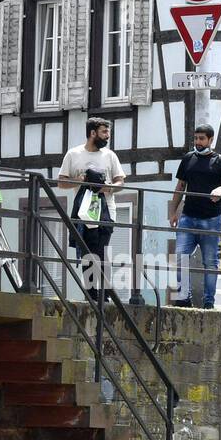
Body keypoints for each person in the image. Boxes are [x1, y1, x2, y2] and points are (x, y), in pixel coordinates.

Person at [167, 125, 221, 309]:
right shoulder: (188, 158)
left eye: (201, 139)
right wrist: (173, 212)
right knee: (181, 257)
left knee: (210, 263)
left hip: (211, 219)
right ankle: (183, 298)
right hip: (188, 216)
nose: (198, 142)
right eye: (196, 138)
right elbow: (180, 187)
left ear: (211, 140)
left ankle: (208, 302)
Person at [58, 117, 125, 303]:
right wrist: (79, 181)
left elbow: (121, 181)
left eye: (108, 132)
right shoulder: (73, 154)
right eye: (104, 132)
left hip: (106, 211)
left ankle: (103, 295)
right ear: (93, 133)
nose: (107, 136)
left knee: (101, 252)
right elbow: (61, 182)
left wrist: (108, 187)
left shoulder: (110, 156)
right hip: (83, 211)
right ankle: (91, 295)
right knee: (87, 252)